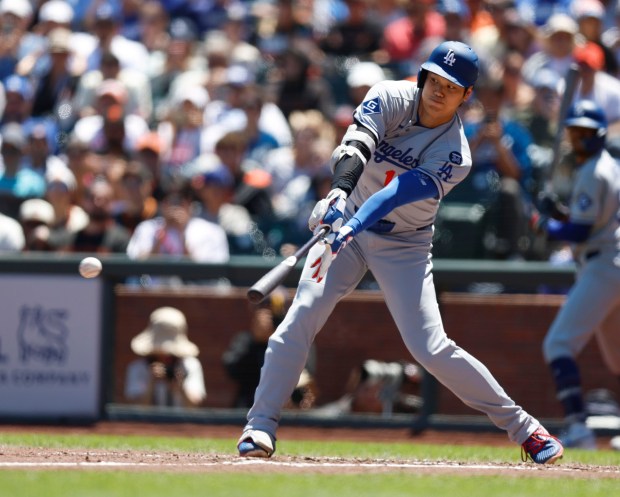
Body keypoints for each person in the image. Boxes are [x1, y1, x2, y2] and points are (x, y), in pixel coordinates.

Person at [236, 41, 564, 465]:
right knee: (300, 318)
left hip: (403, 242)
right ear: (423, 76)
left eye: (453, 86)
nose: (439, 90)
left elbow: (397, 192)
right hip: (345, 221)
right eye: (435, 79)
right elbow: (355, 147)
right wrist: (338, 194)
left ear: (467, 96)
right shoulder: (388, 95)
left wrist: (353, 224)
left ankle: (526, 429)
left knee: (430, 347)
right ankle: (260, 425)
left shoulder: (456, 153)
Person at [529, 99, 620, 451]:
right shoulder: (607, 165)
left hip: (603, 265)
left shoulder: (592, 170)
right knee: (617, 359)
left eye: (584, 133)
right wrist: (561, 214)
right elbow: (587, 220)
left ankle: (578, 428)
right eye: (574, 132)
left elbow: (580, 233)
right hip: (609, 261)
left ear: (596, 135)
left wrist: (545, 224)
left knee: (558, 343)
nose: (577, 140)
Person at [222, 287, 317, 409]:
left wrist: (275, 340)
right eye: (262, 306)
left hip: (289, 409)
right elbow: (232, 369)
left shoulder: (297, 339)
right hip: (250, 406)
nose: (267, 312)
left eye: (273, 307)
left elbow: (307, 373)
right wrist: (257, 342)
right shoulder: (246, 339)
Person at [124, 306, 206, 407]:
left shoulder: (190, 366)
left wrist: (180, 387)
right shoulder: (138, 368)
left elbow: (194, 406)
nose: (165, 358)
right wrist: (151, 382)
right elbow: (138, 408)